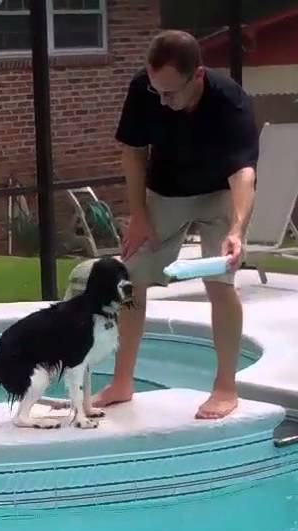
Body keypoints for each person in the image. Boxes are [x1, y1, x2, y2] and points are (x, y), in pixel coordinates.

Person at [91, 29, 259, 420]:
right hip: (166, 190)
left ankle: (225, 387)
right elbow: (132, 153)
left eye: (170, 93)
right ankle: (122, 382)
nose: (162, 102)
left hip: (220, 191)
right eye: (156, 91)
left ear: (197, 75)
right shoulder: (144, 89)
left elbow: (243, 174)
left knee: (220, 283)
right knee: (131, 279)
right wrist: (138, 214)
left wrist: (236, 230)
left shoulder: (229, 101)